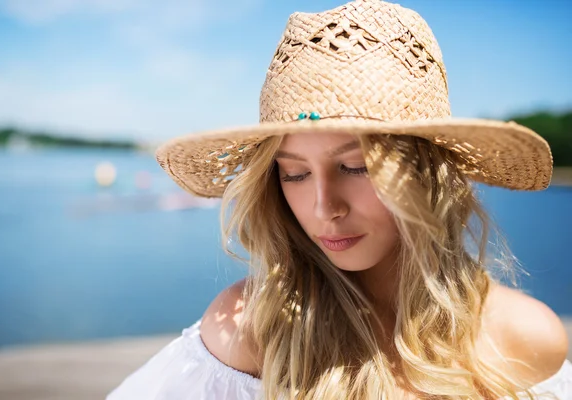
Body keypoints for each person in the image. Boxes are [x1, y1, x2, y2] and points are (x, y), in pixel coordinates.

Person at [107, 0, 571, 398]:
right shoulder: (252, 331)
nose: (324, 207)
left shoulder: (525, 339)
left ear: (426, 173)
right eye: (294, 173)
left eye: (356, 167)